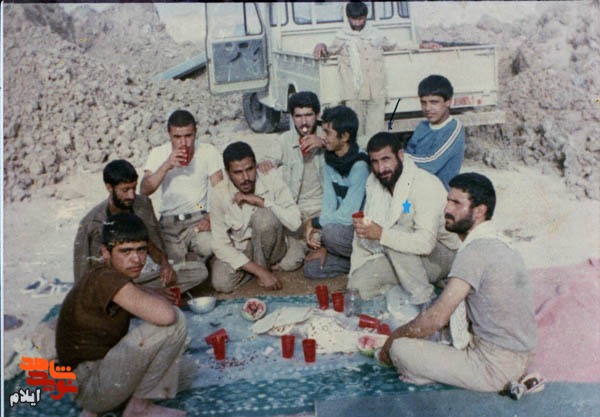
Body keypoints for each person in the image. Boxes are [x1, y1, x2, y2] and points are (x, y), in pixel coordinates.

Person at [379, 173, 537, 392]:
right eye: (448, 201)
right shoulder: (499, 242)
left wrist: (390, 342)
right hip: (521, 354)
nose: (447, 209)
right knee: (434, 334)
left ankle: (426, 375)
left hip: (494, 366)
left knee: (400, 349)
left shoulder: (474, 252)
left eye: (456, 203)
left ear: (479, 211)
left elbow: (436, 318)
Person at [56, 213, 188, 417]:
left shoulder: (106, 272)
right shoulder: (106, 278)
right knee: (175, 322)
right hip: (90, 384)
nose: (136, 259)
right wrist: (154, 299)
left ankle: (109, 405)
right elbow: (167, 317)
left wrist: (150, 293)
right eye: (125, 251)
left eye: (141, 250)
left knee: (187, 371)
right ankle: (139, 408)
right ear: (106, 252)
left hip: (91, 378)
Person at [348, 132, 460, 304]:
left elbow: (425, 243)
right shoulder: (374, 182)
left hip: (441, 254)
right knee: (358, 287)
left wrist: (381, 234)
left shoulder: (425, 184)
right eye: (375, 162)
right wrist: (356, 269)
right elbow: (368, 231)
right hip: (401, 255)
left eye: (386, 159)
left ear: (400, 155)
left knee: (394, 233)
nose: (381, 168)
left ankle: (424, 299)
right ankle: (410, 285)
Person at [141, 109, 224, 289]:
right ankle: (193, 267)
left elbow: (221, 191)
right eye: (177, 137)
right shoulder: (158, 153)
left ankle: (199, 263)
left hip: (197, 220)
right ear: (169, 135)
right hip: (169, 225)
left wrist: (210, 216)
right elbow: (144, 189)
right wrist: (166, 165)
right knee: (171, 266)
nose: (183, 142)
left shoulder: (207, 151)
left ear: (196, 132)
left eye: (188, 136)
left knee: (211, 244)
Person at [73, 159, 179, 292]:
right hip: (112, 285)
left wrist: (165, 265)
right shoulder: (91, 223)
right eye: (125, 190)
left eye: (134, 188)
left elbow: (155, 242)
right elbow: (82, 272)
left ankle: (145, 294)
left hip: (143, 276)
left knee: (196, 271)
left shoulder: (143, 204)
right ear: (109, 188)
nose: (132, 195)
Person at [210, 141, 301, 292]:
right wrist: (260, 271)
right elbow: (220, 244)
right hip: (243, 249)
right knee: (221, 283)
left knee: (264, 217)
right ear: (227, 173)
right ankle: (262, 270)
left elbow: (295, 222)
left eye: (250, 169)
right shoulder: (219, 193)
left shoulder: (271, 178)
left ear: (256, 165)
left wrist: (261, 201)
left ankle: (264, 266)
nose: (246, 177)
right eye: (238, 172)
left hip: (272, 245)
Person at [258, 91, 326, 271]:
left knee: (304, 253)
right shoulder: (285, 140)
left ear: (317, 115)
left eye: (308, 115)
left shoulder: (327, 134)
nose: (304, 122)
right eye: (298, 116)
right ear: (292, 117)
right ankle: (302, 244)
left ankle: (312, 245)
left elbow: (358, 146)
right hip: (296, 212)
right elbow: (267, 160)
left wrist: (324, 143)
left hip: (321, 211)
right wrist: (267, 164)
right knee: (286, 259)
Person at [304, 106, 370, 279]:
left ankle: (369, 259)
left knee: (331, 233)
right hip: (342, 231)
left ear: (345, 136)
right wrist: (319, 233)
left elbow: (347, 216)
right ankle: (359, 263)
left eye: (328, 132)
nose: (323, 137)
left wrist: (316, 223)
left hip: (362, 230)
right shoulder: (331, 160)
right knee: (312, 268)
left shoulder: (360, 166)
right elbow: (329, 203)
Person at [313, 2, 395, 140]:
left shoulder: (376, 35)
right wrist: (320, 45)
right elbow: (328, 51)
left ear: (366, 17)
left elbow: (394, 46)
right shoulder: (341, 37)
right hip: (354, 94)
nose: (357, 23)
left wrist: (421, 45)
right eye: (354, 19)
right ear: (348, 18)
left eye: (361, 19)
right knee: (356, 131)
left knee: (376, 133)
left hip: (376, 92)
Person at [406, 75, 466, 189]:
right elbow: (409, 153)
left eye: (434, 102)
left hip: (439, 192)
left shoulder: (454, 128)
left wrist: (397, 157)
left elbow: (431, 163)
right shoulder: (422, 126)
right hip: (416, 185)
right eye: (423, 103)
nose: (427, 108)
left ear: (448, 102)